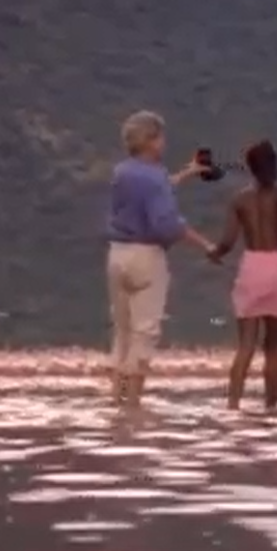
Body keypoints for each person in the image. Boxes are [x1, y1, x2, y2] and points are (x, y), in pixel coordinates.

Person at [105, 110, 216, 407]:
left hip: (117, 254)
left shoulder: (122, 172)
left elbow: (152, 188)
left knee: (123, 333)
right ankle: (132, 404)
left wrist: (187, 173)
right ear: (151, 141)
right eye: (161, 137)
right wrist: (206, 245)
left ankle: (117, 400)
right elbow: (167, 224)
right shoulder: (155, 178)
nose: (164, 142)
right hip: (146, 255)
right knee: (144, 333)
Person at [208, 140, 277, 410]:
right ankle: (271, 407)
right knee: (272, 349)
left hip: (252, 267)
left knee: (245, 346)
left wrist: (215, 253)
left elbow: (228, 241)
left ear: (250, 168)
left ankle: (233, 405)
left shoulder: (239, 199)